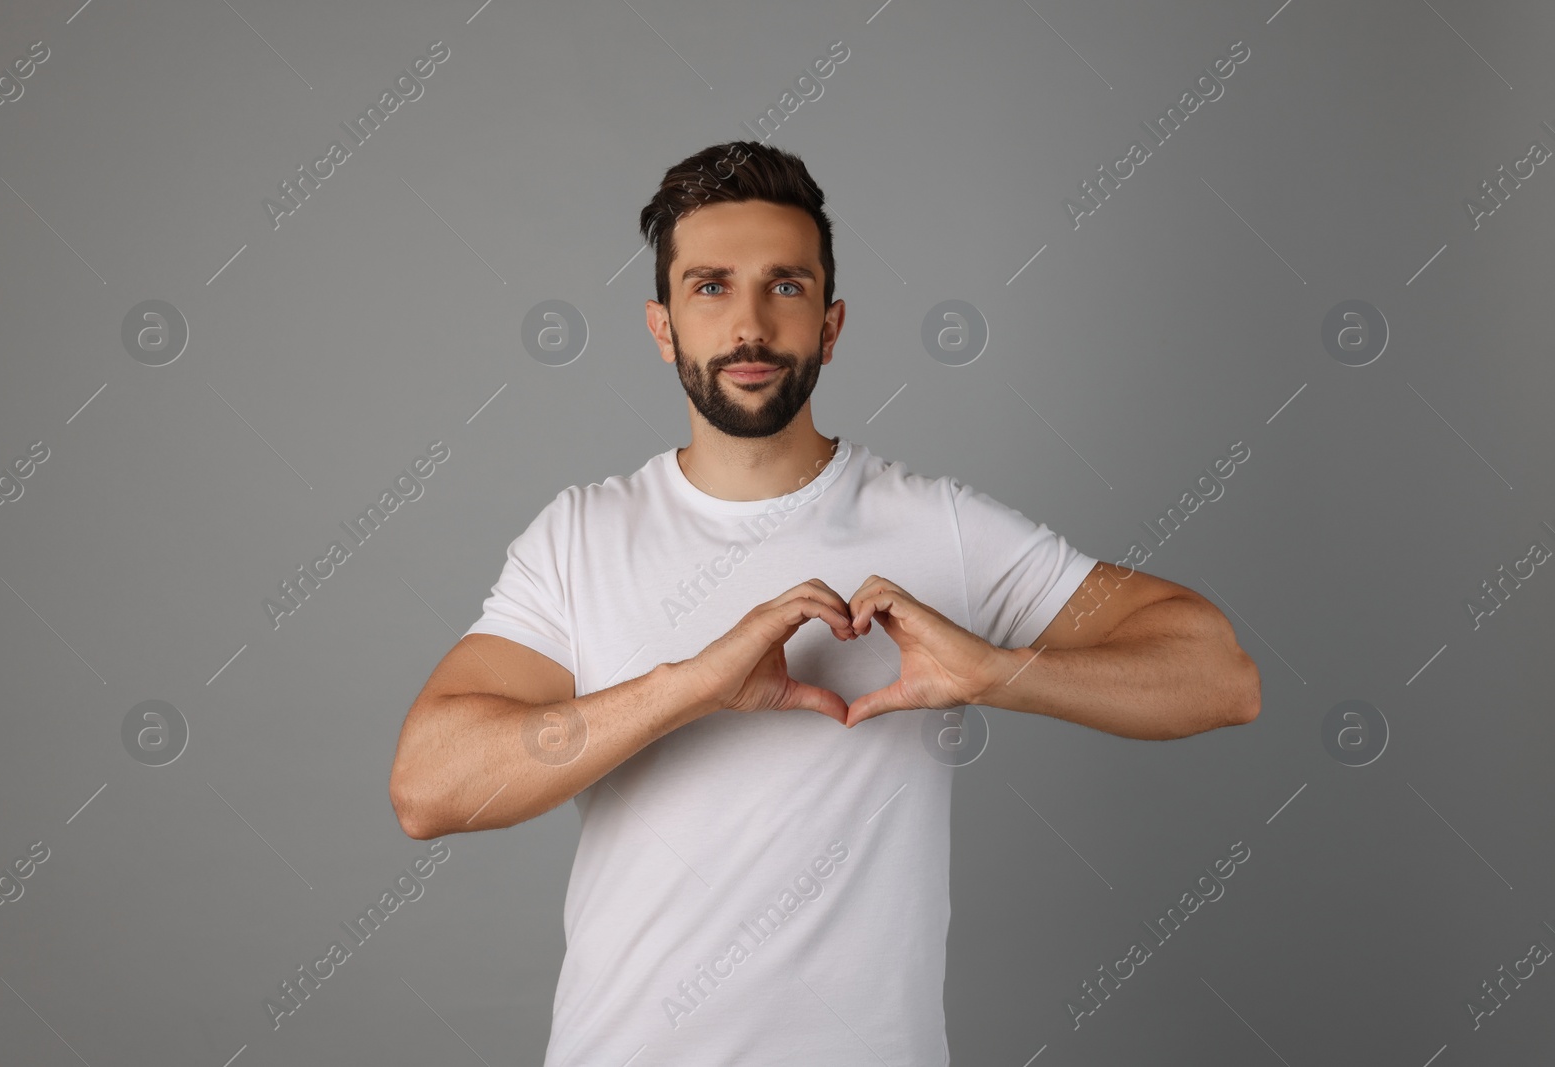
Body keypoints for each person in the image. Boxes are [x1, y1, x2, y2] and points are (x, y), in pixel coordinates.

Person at [388, 140, 1261, 1066]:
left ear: (832, 324)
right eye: (712, 287)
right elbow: (429, 785)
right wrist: (690, 685)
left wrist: (1001, 672)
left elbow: (1220, 675)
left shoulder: (939, 528)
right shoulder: (580, 537)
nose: (751, 326)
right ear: (662, 325)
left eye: (787, 286)